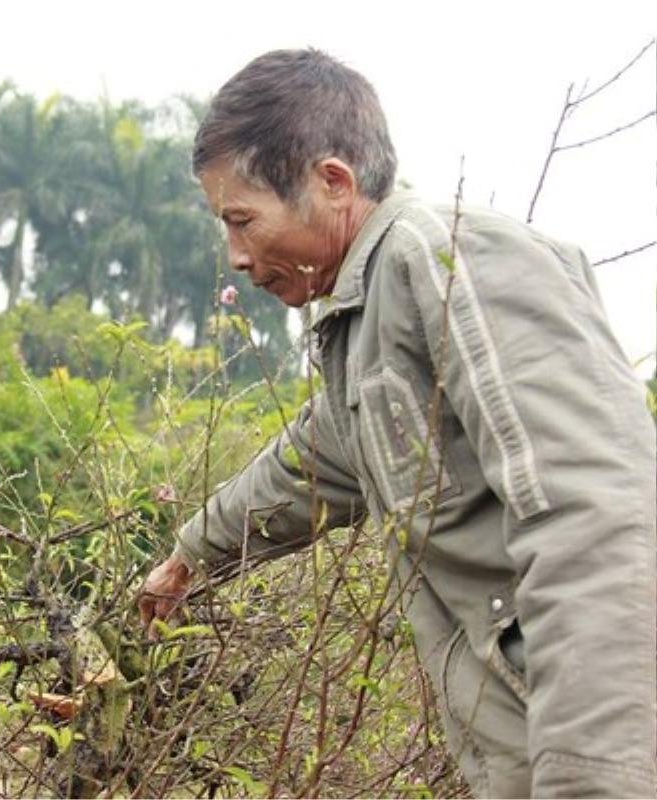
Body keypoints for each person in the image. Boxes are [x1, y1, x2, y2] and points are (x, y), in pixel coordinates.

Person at [137, 48, 657, 798]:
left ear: (333, 182)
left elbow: (602, 518)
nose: (238, 258)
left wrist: (594, 783)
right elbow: (312, 462)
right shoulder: (368, 317)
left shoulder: (455, 260)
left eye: (243, 221)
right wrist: (192, 557)